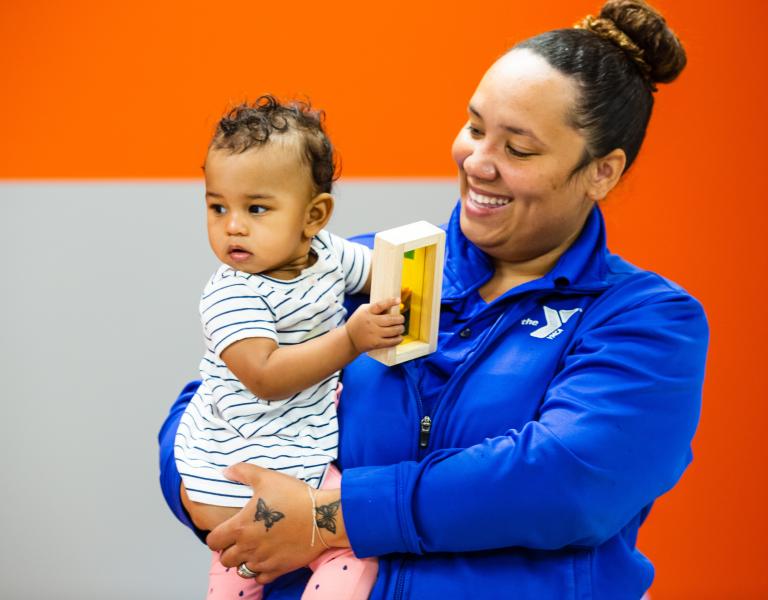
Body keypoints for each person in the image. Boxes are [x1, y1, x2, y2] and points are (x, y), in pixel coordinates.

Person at [158, 1, 708, 598]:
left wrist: (327, 521)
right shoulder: (357, 268)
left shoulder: (645, 321)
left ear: (601, 172)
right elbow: (218, 394)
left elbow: (562, 482)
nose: (477, 161)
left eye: (518, 150)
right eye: (475, 128)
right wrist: (211, 493)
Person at [174, 96, 404, 600]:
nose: (232, 225)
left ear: (314, 216)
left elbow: (380, 271)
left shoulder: (327, 255)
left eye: (256, 208)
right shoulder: (233, 292)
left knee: (238, 570)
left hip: (283, 454)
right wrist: (351, 338)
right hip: (238, 467)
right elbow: (267, 376)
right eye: (218, 207)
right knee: (353, 542)